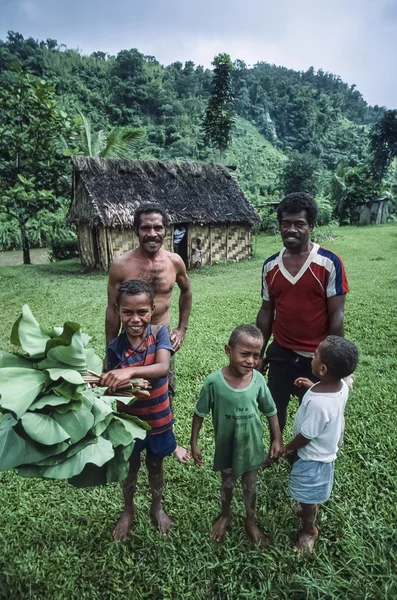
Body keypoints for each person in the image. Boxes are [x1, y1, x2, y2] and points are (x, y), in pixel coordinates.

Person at [106, 203, 192, 463]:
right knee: (130, 393)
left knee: (165, 392)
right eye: (146, 227)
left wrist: (182, 328)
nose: (152, 233)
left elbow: (187, 291)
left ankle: (168, 441)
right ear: (136, 230)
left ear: (165, 230)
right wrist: (110, 352)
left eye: (158, 227)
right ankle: (131, 436)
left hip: (162, 340)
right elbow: (112, 309)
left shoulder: (174, 261)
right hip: (129, 342)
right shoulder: (121, 265)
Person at [256, 192, 349, 433]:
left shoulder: (329, 262)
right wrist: (258, 352)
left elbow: (337, 315)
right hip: (281, 352)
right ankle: (276, 447)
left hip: (316, 356)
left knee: (313, 409)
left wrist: (331, 360)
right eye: (286, 224)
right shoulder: (270, 266)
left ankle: (302, 455)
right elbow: (267, 311)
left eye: (299, 224)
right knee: (276, 405)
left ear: (311, 226)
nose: (291, 230)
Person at [190, 325, 284, 547]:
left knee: (250, 486)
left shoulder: (259, 380)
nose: (251, 361)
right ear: (228, 350)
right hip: (227, 448)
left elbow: (270, 411)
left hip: (251, 448)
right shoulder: (214, 382)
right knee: (227, 484)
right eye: (244, 354)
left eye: (256, 356)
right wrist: (194, 442)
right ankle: (225, 514)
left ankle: (251, 520)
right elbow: (199, 413)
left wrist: (277, 438)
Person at [100, 279, 177, 541]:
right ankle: (128, 510)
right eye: (127, 312)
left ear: (153, 309)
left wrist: (129, 370)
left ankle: (157, 507)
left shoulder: (159, 335)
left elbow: (162, 368)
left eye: (142, 312)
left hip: (158, 422)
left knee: (156, 467)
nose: (135, 319)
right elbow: (107, 385)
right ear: (118, 311)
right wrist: (108, 382)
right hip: (128, 425)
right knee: (129, 469)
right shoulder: (115, 348)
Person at [282, 335, 359, 553]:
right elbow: (327, 396)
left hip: (312, 458)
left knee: (309, 496)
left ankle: (309, 530)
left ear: (323, 369)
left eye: (315, 354)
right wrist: (313, 385)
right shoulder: (339, 386)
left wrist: (288, 448)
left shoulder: (319, 404)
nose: (312, 356)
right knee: (307, 495)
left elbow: (306, 435)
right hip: (319, 453)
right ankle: (306, 510)